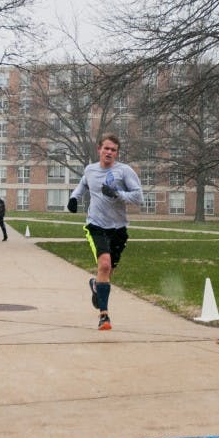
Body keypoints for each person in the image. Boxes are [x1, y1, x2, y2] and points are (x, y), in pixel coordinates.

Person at [67, 133, 143, 331]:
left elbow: (138, 197)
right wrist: (74, 197)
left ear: (117, 153)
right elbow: (83, 184)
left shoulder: (124, 171)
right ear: (99, 149)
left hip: (118, 228)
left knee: (108, 272)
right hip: (96, 225)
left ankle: (95, 285)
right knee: (104, 264)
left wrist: (117, 194)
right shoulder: (90, 169)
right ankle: (104, 315)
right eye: (106, 148)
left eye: (113, 150)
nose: (109, 152)